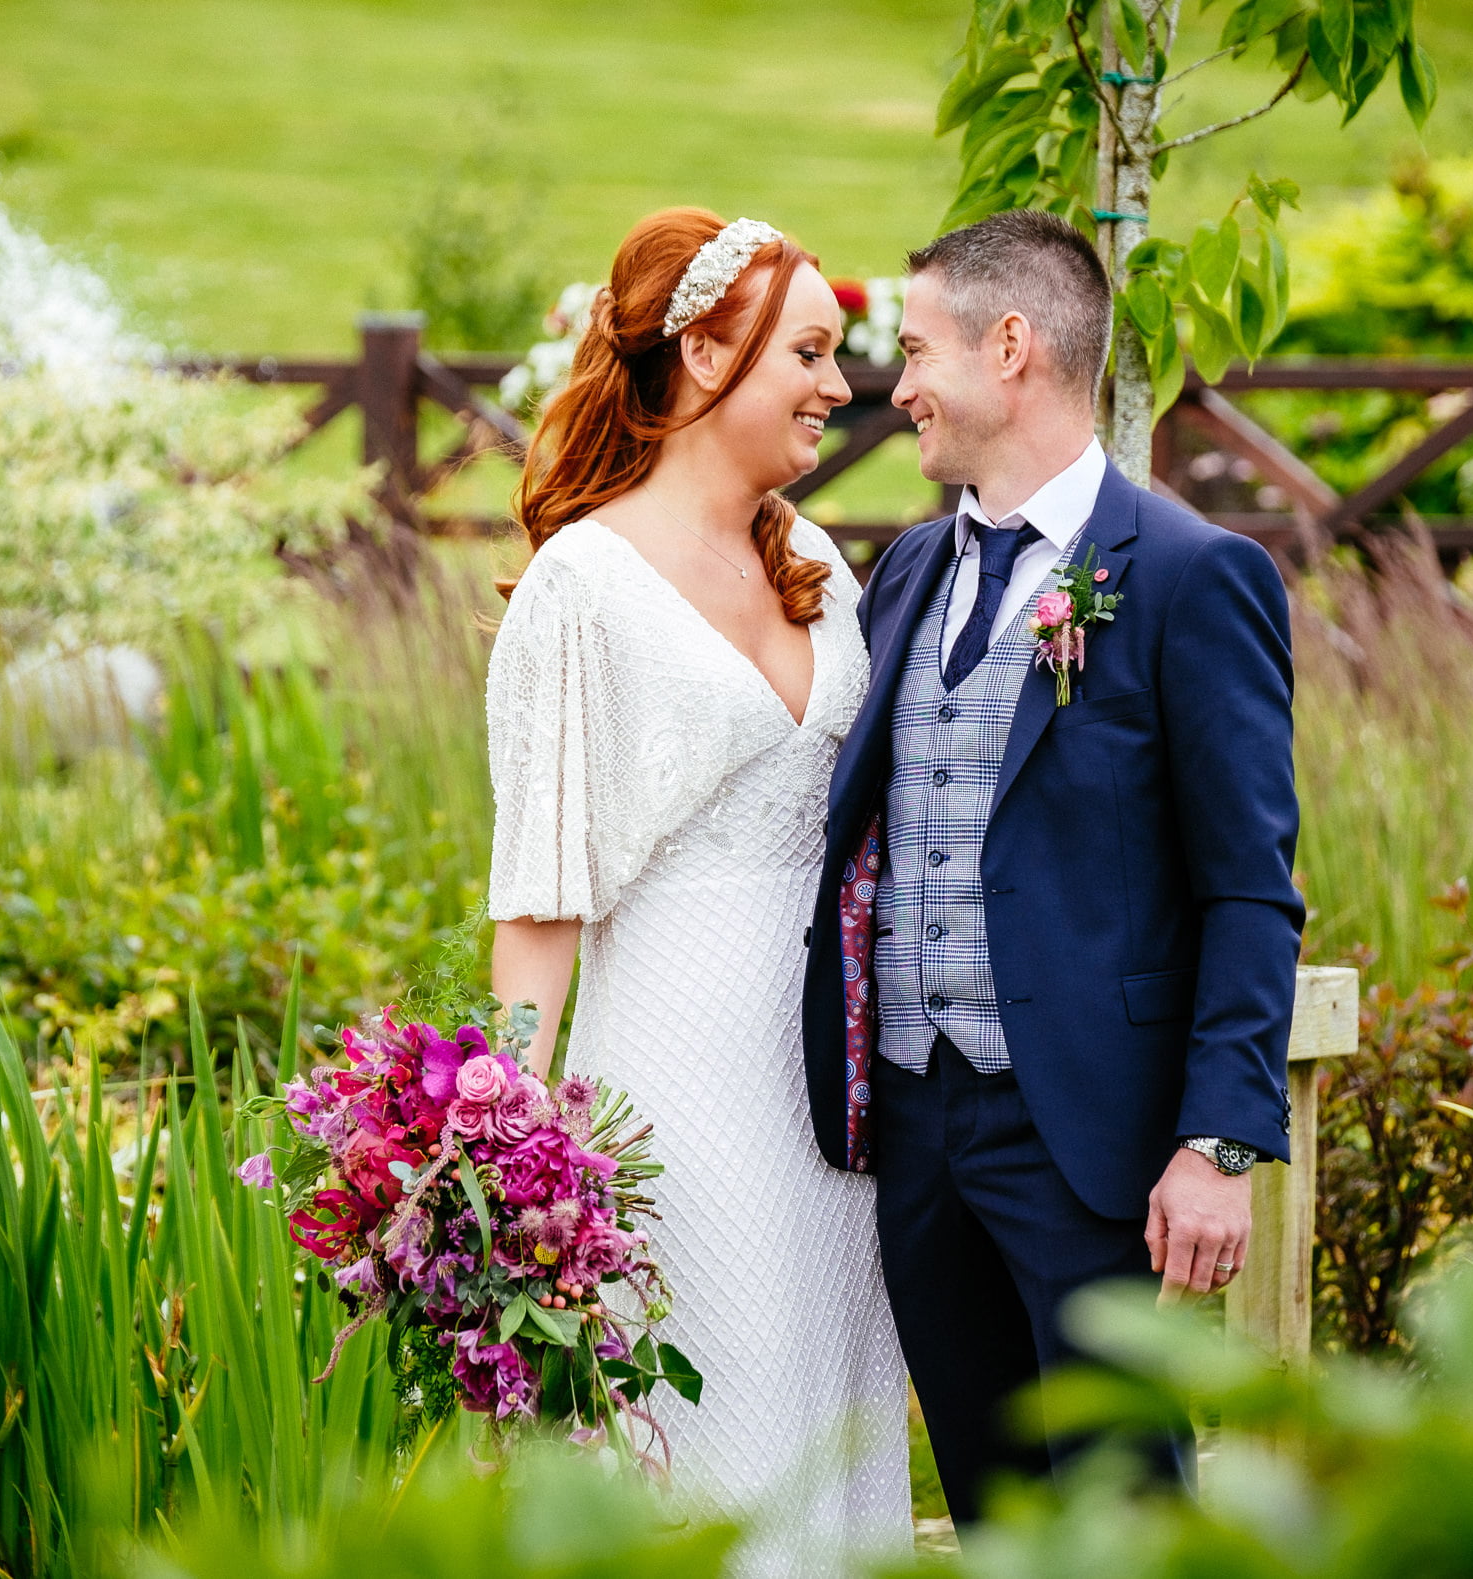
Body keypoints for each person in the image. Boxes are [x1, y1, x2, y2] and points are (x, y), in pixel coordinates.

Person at [801, 209, 1305, 1526]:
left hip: (1096, 1146)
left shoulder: (1194, 577)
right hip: (920, 1133)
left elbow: (1252, 884)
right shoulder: (909, 569)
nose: (896, 384)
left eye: (916, 350)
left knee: (1124, 1521)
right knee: (994, 1520)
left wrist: (1216, 1143)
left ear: (1010, 346)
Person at [483, 209, 909, 1573]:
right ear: (708, 350)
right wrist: (508, 1163)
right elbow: (539, 901)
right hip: (675, 1083)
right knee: (719, 1434)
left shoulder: (818, 566)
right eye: (812, 351)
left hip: (830, 1094)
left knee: (832, 1427)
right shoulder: (583, 585)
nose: (843, 388)